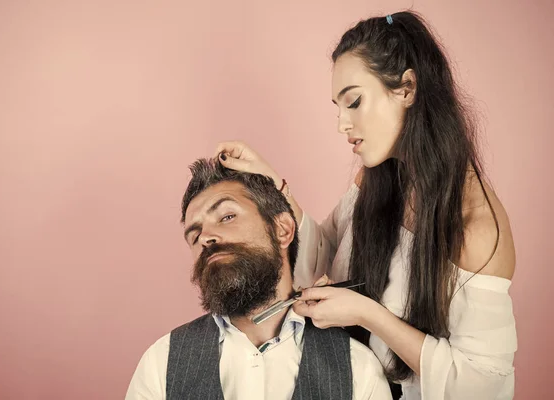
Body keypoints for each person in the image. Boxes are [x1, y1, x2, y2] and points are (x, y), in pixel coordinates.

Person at [214, 11, 517, 400]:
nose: (342, 123)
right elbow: (325, 253)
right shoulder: (377, 179)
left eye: (354, 102)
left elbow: (483, 386)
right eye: (338, 107)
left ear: (407, 88)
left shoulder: (475, 227)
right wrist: (274, 183)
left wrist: (367, 315)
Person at [125, 159, 391, 400]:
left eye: (227, 217)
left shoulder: (358, 368)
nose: (206, 237)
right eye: (195, 236)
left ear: (282, 230)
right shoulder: (161, 363)